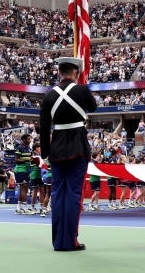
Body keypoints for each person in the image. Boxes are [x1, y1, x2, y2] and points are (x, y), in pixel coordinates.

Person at [40, 57, 97, 252]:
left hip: (56, 149)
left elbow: (44, 127)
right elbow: (94, 107)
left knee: (57, 194)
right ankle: (70, 241)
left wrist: (45, 153)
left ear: (59, 72)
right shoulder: (82, 90)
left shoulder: (48, 96)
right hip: (77, 148)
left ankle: (58, 242)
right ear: (75, 73)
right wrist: (82, 86)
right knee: (74, 195)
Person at [14, 134, 33, 215]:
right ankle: (25, 208)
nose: (30, 140)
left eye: (30, 139)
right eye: (28, 139)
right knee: (24, 187)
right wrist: (27, 160)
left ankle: (18, 208)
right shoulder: (19, 148)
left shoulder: (29, 148)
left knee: (23, 188)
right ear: (24, 140)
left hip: (26, 170)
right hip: (20, 170)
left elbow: (29, 159)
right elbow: (16, 160)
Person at [30, 143, 45, 214]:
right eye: (39, 147)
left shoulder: (40, 155)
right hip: (34, 174)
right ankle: (32, 207)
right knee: (35, 191)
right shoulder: (32, 155)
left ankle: (42, 207)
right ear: (36, 148)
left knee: (42, 190)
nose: (40, 149)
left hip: (40, 175)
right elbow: (32, 164)